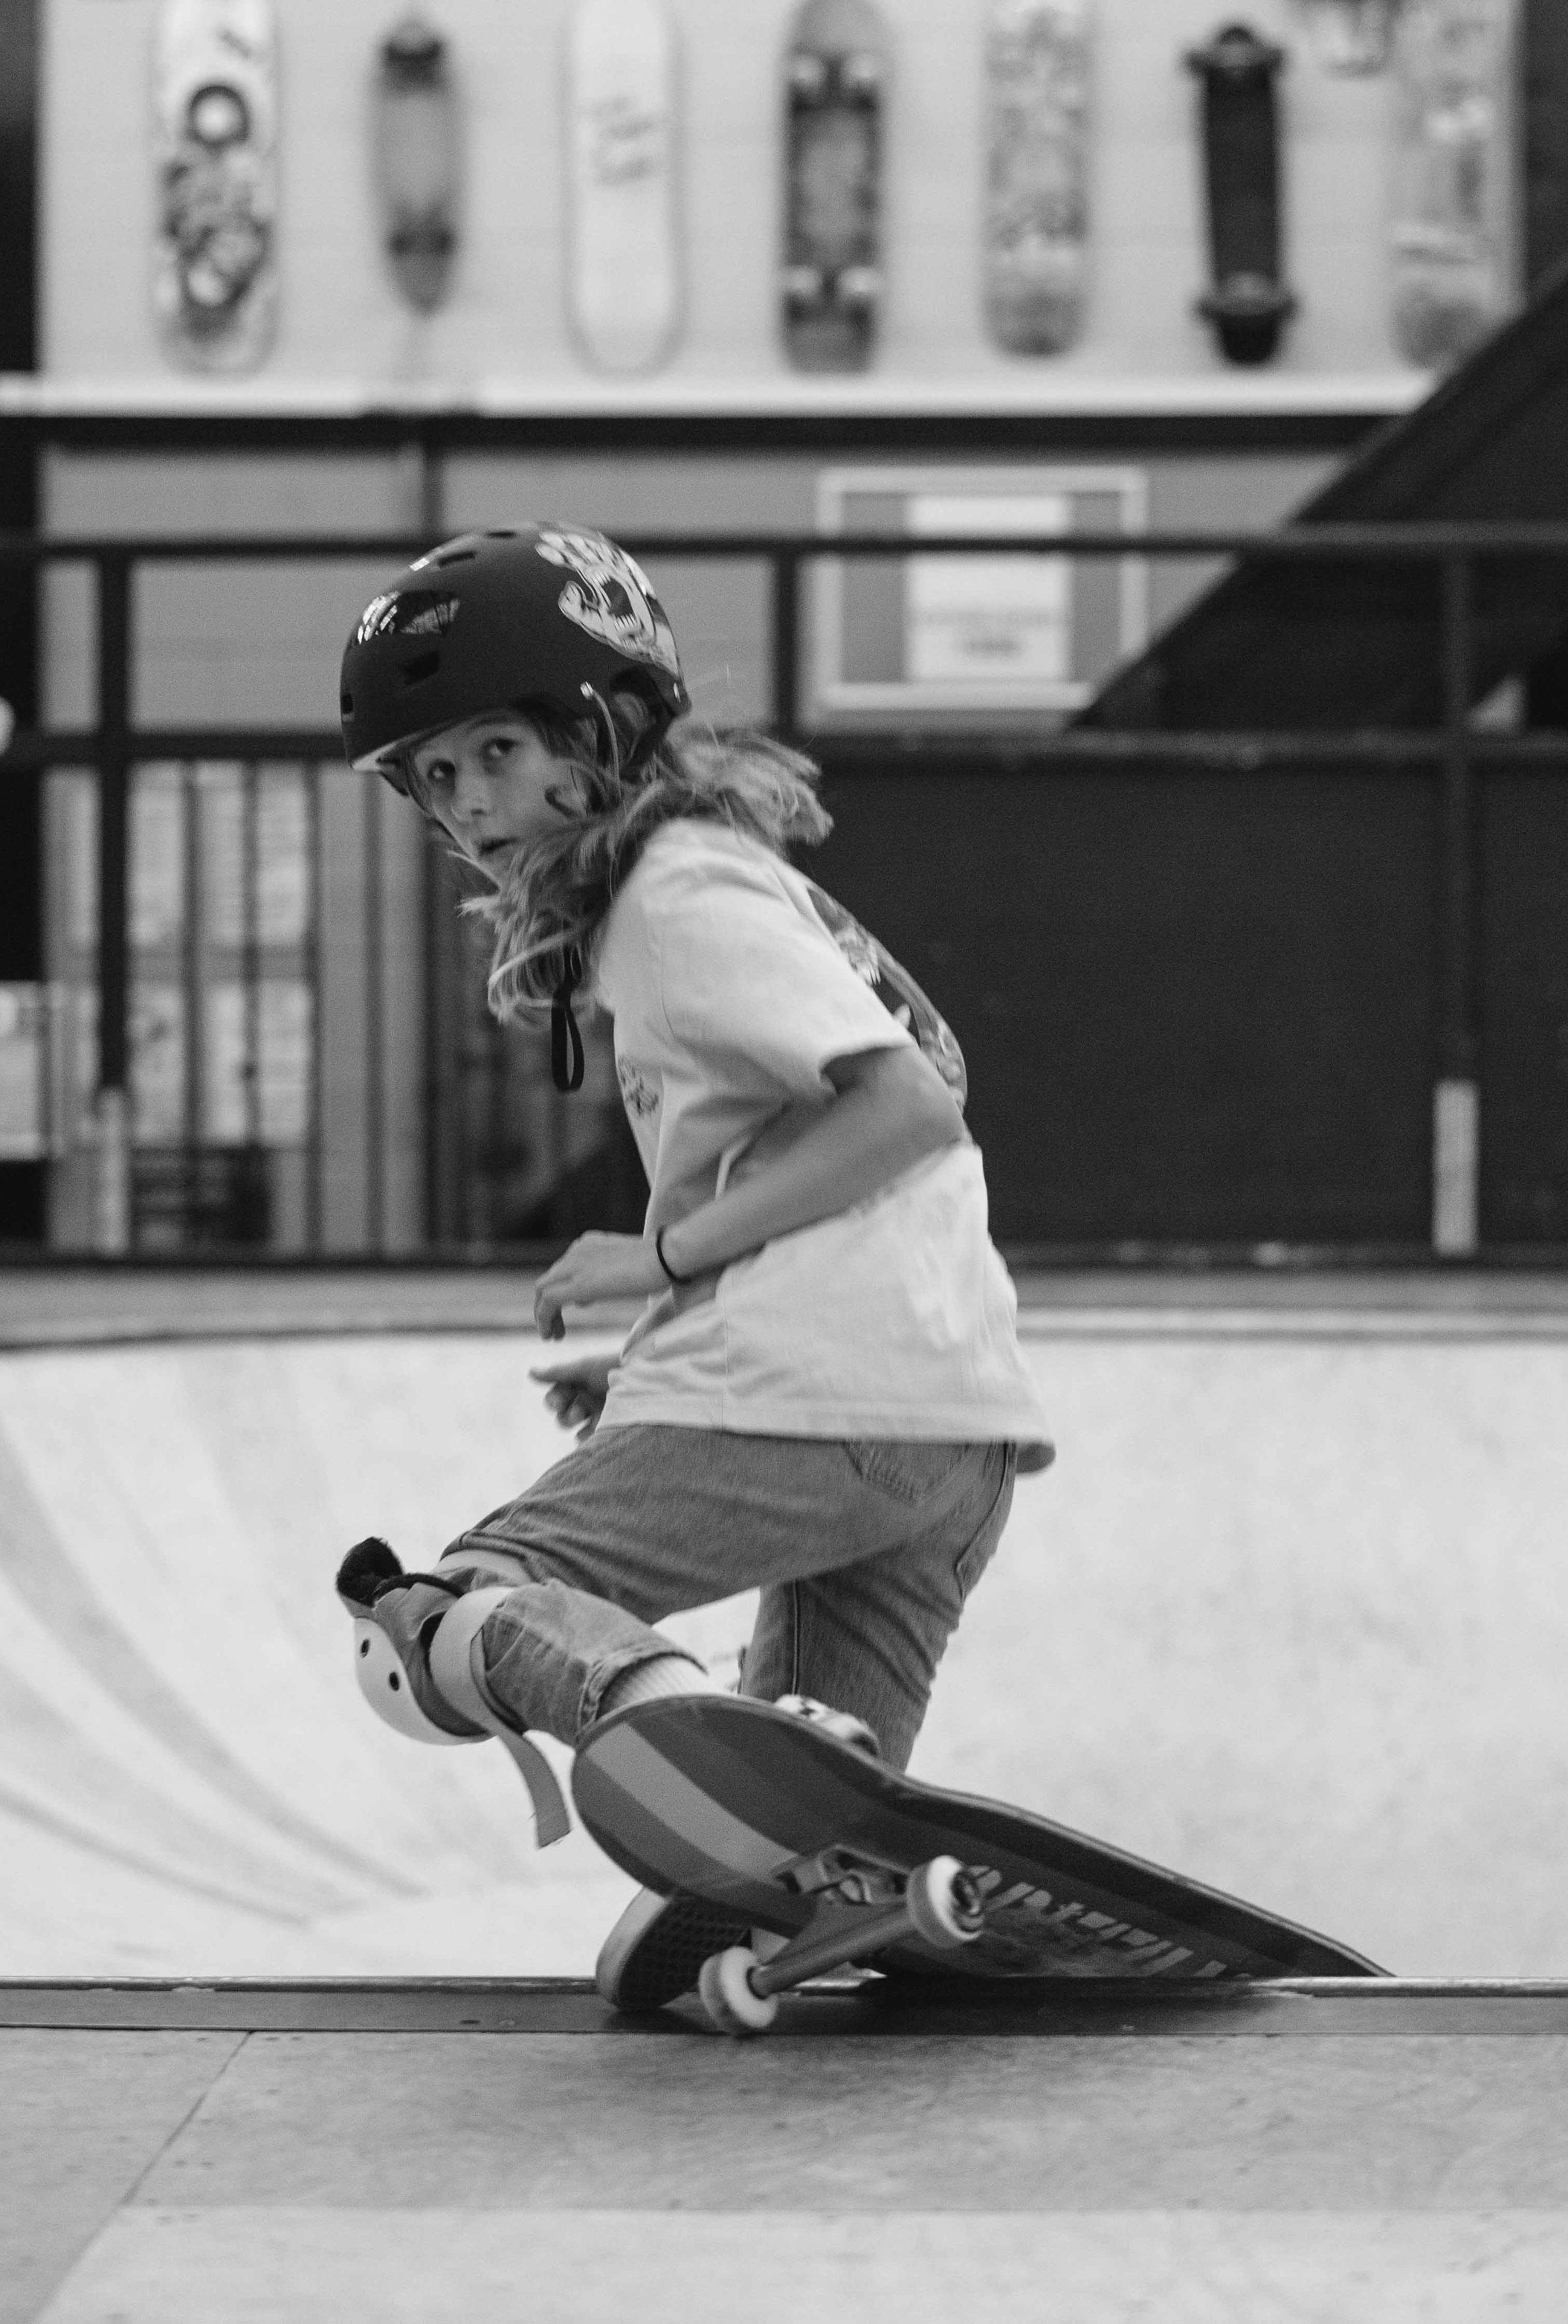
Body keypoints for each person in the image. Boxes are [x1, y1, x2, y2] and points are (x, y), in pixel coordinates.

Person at [333, 524, 1052, 2009]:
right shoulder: (716, 885)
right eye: (437, 778)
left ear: (596, 725)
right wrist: (662, 1350)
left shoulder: (676, 891)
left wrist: (658, 1258)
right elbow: (838, 1142)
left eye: (495, 753)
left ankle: (646, 1695)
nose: (470, 807)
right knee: (806, 1822)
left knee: (451, 1611)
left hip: (813, 1398)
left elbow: (907, 1108)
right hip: (945, 1428)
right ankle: (851, 1909)